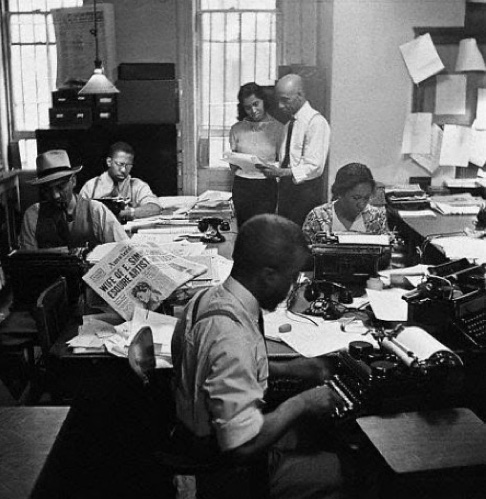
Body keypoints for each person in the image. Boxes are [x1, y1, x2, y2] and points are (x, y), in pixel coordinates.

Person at [171, 214, 346, 499]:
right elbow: (241, 445)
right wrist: (302, 403)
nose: (292, 288)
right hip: (224, 472)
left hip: (194, 434)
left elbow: (217, 372)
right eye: (291, 278)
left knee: (314, 432)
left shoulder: (207, 298)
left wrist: (290, 369)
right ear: (268, 275)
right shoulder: (231, 338)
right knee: (347, 467)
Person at [256, 74, 330, 226]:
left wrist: (281, 172)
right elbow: (289, 161)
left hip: (305, 194)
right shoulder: (289, 124)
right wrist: (270, 167)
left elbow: (314, 167)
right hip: (286, 193)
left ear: (300, 95)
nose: (281, 106)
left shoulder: (316, 123)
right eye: (279, 101)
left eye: (285, 100)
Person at [19, 149, 128, 250]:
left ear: (73, 181)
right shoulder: (33, 215)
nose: (55, 195)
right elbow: (28, 262)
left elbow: (124, 251)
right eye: (47, 190)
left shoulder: (95, 211)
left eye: (61, 187)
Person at [229, 82, 284, 227]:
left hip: (266, 186)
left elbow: (282, 162)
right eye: (247, 107)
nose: (253, 110)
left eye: (256, 104)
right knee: (243, 228)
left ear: (264, 101)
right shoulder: (236, 129)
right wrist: (233, 161)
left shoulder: (279, 128)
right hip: (242, 186)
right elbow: (233, 164)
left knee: (264, 230)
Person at [302, 162, 388, 245]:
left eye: (366, 198)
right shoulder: (318, 217)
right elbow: (305, 254)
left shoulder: (376, 217)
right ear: (340, 194)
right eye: (356, 198)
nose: (362, 205)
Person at [79, 141, 161, 222]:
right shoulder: (91, 187)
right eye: (120, 164)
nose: (123, 170)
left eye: (128, 166)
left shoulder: (137, 185)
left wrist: (129, 212)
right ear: (109, 162)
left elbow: (154, 208)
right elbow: (78, 215)